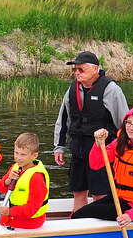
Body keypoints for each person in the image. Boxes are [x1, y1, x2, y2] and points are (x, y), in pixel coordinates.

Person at [53, 51, 129, 213]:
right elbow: (63, 120)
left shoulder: (111, 90)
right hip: (78, 149)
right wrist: (59, 147)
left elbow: (124, 124)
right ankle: (77, 221)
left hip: (102, 151)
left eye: (81, 69)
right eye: (75, 70)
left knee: (99, 193)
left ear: (95, 69)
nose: (77, 73)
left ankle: (99, 221)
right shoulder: (72, 90)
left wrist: (125, 150)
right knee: (78, 190)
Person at [0, 132, 50, 230]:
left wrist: (10, 212)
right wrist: (8, 180)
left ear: (34, 155)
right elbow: (1, 188)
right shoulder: (16, 167)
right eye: (16, 153)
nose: (18, 158)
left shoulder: (36, 177)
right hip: (16, 215)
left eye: (23, 154)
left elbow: (33, 207)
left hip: (31, 220)